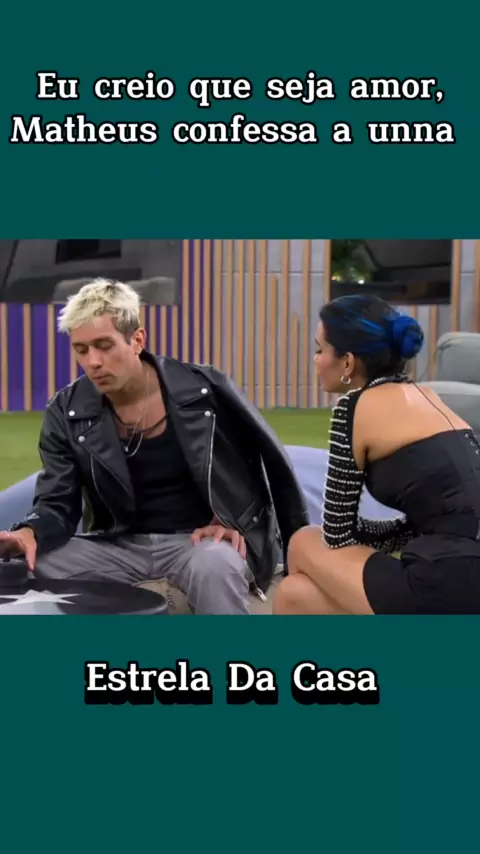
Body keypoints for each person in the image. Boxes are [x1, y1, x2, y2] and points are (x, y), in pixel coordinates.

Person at [0, 278, 309, 614]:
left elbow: (261, 465)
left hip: (197, 541)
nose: (93, 362)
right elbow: (56, 499)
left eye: (104, 345)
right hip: (117, 545)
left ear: (137, 340)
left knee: (216, 566)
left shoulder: (204, 390)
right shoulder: (66, 410)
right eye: (81, 349)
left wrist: (231, 519)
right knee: (33, 564)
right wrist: (30, 531)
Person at [273, 293, 480, 615]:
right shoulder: (429, 397)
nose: (315, 359)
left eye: (320, 349)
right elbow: (442, 514)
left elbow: (337, 533)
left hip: (445, 579)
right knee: (294, 594)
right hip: (460, 573)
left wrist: (378, 536)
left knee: (304, 541)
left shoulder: (353, 408)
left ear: (347, 362)